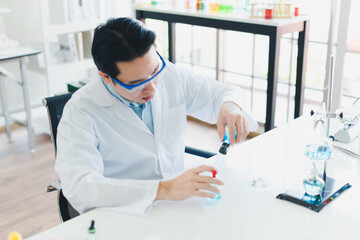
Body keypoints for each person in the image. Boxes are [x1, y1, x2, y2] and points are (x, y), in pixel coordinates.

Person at [55, 17, 258, 216]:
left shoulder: (169, 74)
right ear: (106, 77)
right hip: (122, 214)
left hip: (175, 207)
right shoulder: (80, 112)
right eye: (137, 83)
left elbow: (219, 93)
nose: (152, 87)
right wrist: (164, 189)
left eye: (155, 70)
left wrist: (231, 105)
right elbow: (80, 187)